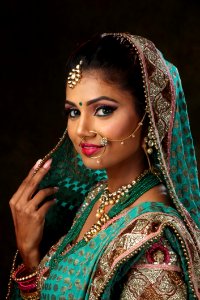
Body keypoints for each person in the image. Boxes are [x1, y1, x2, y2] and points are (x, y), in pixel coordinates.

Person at [7, 33, 200, 299]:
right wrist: (29, 255)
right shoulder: (96, 197)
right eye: (73, 112)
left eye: (103, 110)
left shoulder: (156, 240)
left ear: (148, 117)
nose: (82, 130)